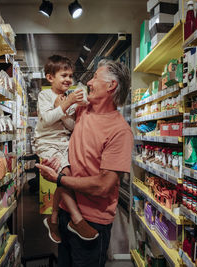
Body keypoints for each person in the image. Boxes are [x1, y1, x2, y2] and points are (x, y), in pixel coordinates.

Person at [37, 59, 133, 267]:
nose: (88, 82)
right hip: (66, 213)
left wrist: (60, 179)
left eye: (95, 78)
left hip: (92, 221)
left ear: (111, 86)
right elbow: (56, 114)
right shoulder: (82, 111)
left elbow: (103, 185)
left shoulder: (120, 131)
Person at [34, 55, 99, 244]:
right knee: (66, 176)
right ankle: (77, 220)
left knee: (64, 180)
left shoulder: (68, 97)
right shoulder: (45, 95)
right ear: (50, 78)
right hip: (46, 143)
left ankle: (53, 220)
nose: (68, 80)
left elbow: (71, 126)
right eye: (63, 75)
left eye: (70, 76)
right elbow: (46, 120)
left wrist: (64, 108)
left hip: (64, 143)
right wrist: (65, 104)